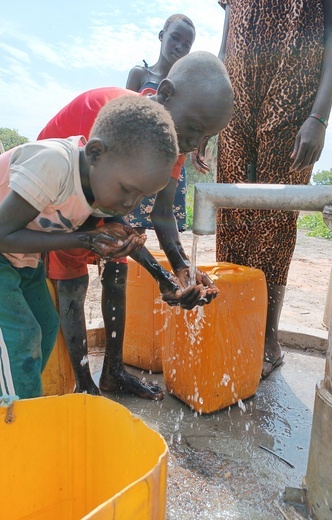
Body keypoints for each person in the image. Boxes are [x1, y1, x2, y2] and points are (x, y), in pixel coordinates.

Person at [38, 51, 234, 399]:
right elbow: (101, 212)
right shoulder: (116, 118)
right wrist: (163, 279)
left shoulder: (174, 140)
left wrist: (182, 268)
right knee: (73, 281)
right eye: (193, 129)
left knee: (117, 268)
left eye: (206, 137)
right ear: (167, 92)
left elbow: (162, 212)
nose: (194, 143)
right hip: (56, 196)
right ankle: (85, 387)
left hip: (100, 199)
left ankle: (113, 372)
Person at [0, 95, 179, 400]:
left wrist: (111, 242)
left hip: (22, 258)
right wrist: (85, 240)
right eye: (126, 190)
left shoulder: (98, 187)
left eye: (139, 198)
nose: (128, 204)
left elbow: (81, 224)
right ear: (95, 152)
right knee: (22, 335)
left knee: (45, 324)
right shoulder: (53, 164)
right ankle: (16, 420)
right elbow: (3, 233)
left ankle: (19, 397)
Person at [216, 0, 332, 378]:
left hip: (294, 90)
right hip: (235, 99)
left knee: (274, 221)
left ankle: (268, 340)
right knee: (231, 214)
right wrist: (211, 113)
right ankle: (232, 326)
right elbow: (225, 46)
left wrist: (319, 116)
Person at [125, 13, 196, 234]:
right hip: (137, 165)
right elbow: (122, 118)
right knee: (131, 231)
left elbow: (191, 127)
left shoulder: (185, 87)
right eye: (175, 38)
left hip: (171, 167)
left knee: (167, 225)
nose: (180, 47)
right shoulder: (140, 75)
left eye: (187, 44)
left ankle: (177, 268)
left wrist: (197, 150)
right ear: (162, 35)